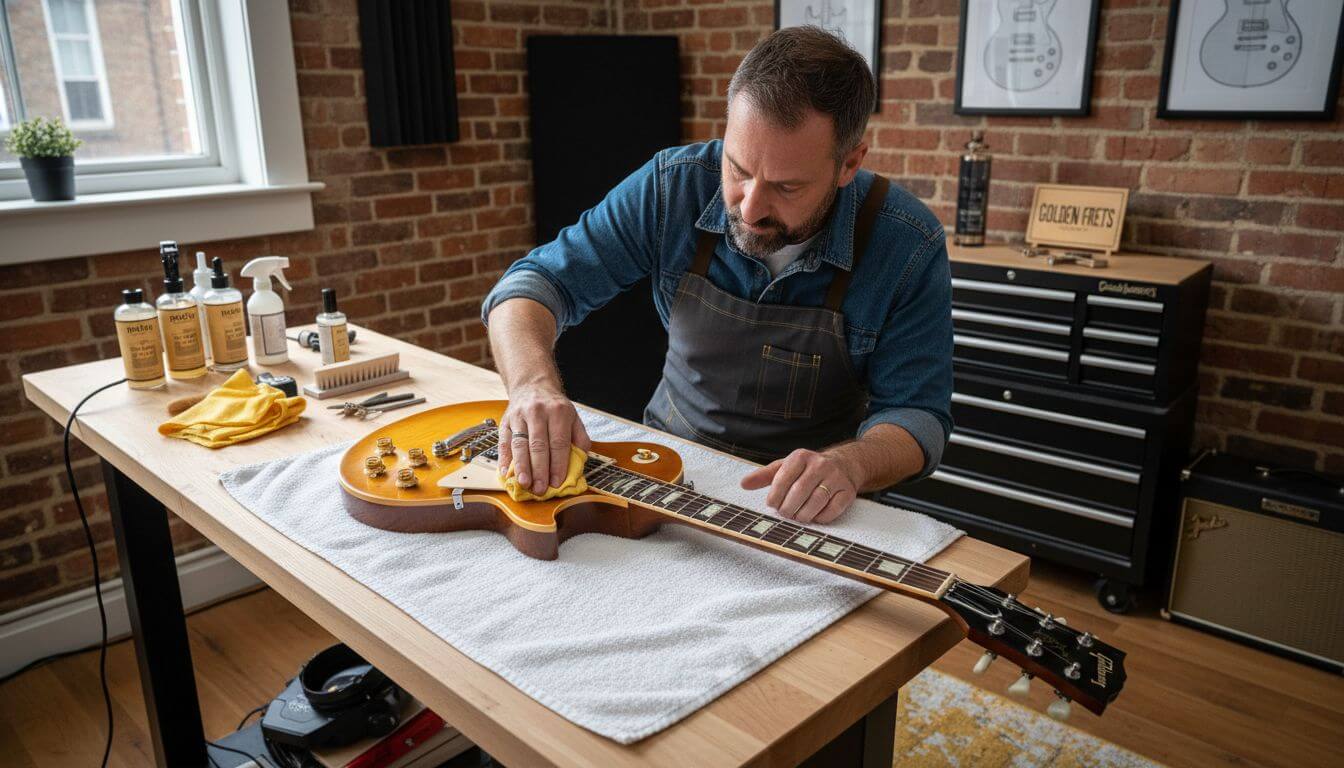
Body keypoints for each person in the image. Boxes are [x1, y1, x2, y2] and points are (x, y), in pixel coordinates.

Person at [480, 26, 952, 525]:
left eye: (786, 187)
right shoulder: (672, 188)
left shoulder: (906, 243)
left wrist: (851, 463)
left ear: (849, 163)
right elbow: (530, 287)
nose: (749, 208)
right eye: (738, 169)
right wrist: (533, 386)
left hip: (806, 509)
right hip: (667, 473)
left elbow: (918, 416)